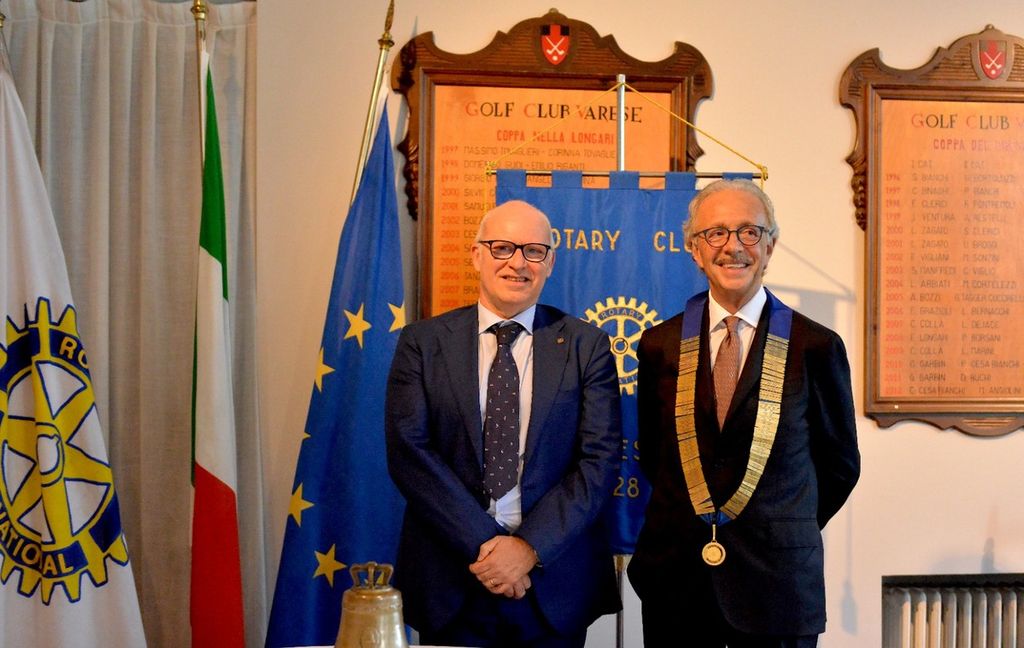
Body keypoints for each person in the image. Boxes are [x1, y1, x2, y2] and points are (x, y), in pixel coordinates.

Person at [628, 179, 860, 647]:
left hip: (778, 585)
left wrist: (776, 524)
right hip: (678, 583)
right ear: (695, 250)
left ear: (770, 245)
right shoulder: (659, 345)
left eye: (749, 232)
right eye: (715, 233)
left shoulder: (816, 346)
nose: (733, 246)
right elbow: (654, 456)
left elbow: (840, 466)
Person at [385, 199, 622, 647]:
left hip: (552, 581)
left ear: (549, 262)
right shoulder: (423, 342)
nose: (517, 262)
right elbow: (409, 453)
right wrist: (489, 548)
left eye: (533, 250)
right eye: (502, 248)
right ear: (477, 255)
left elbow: (599, 461)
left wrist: (528, 548)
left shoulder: (587, 346)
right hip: (452, 578)